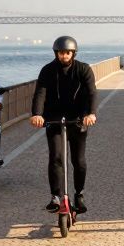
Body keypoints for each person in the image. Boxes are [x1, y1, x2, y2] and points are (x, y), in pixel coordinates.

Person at [31, 36, 98, 214]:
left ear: (73, 53)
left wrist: (91, 114)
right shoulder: (47, 70)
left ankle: (79, 194)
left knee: (79, 161)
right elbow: (40, 93)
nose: (64, 56)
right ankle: (55, 196)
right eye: (61, 52)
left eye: (67, 52)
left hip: (78, 118)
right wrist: (37, 114)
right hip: (53, 118)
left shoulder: (84, 69)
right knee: (56, 158)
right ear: (56, 53)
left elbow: (91, 92)